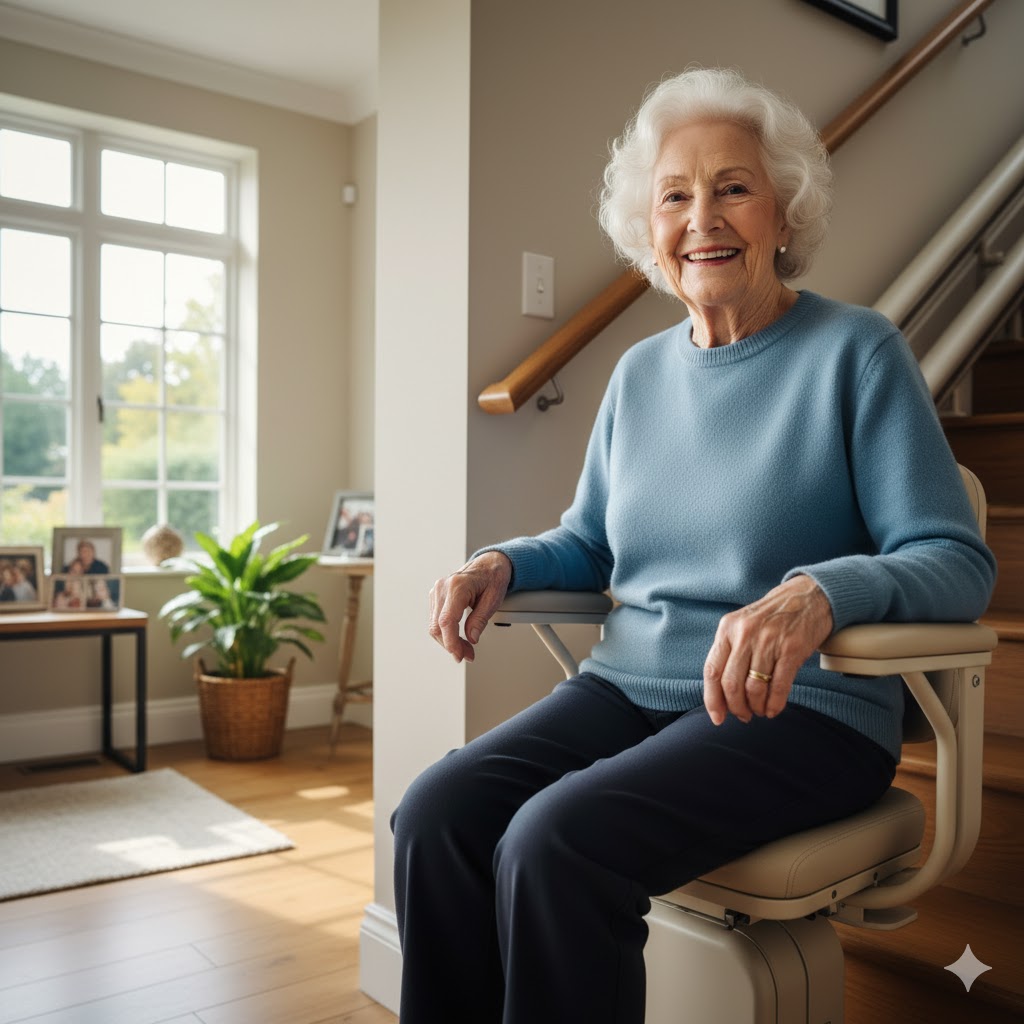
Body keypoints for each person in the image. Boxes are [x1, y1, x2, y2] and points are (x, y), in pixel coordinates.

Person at [391, 68, 997, 1024]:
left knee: (554, 840)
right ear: (650, 229)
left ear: (784, 214)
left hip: (802, 713)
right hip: (628, 688)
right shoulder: (637, 375)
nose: (702, 217)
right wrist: (503, 562)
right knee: (438, 815)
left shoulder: (858, 353)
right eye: (675, 194)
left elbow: (957, 560)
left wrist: (821, 592)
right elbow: (590, 543)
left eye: (734, 188)